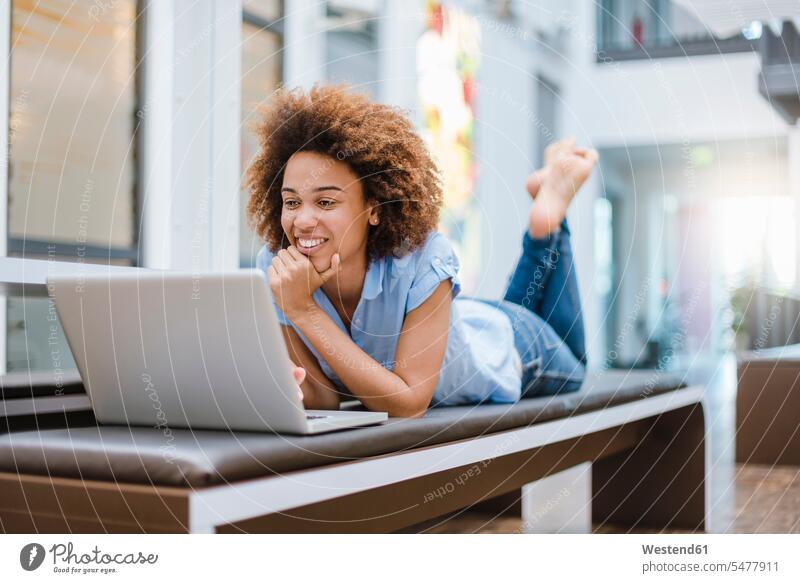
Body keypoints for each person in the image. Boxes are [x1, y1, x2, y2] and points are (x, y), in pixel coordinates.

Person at [247, 85, 597, 418]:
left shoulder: (423, 255)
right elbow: (325, 398)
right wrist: (286, 390)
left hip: (517, 350)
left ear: (374, 207)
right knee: (510, 309)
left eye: (325, 201)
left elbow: (408, 404)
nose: (302, 220)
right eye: (291, 201)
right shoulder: (278, 267)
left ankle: (548, 218)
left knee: (577, 365)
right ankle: (545, 216)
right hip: (462, 319)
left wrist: (303, 309)